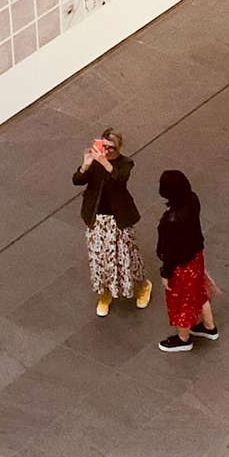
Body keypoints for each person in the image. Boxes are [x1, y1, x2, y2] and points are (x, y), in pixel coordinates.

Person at [72, 128, 150, 316]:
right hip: (97, 218)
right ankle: (105, 292)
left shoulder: (125, 163)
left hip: (118, 219)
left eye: (111, 148)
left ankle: (142, 286)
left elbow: (119, 180)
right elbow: (77, 180)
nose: (106, 151)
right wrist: (86, 165)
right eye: (104, 147)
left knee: (127, 256)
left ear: (118, 148)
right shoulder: (96, 163)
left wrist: (105, 162)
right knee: (100, 258)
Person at [155, 169, 218, 352]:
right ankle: (209, 327)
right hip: (196, 256)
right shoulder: (193, 199)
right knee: (198, 292)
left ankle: (183, 339)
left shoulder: (173, 220)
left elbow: (171, 252)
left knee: (181, 302)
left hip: (181, 266)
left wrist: (165, 273)